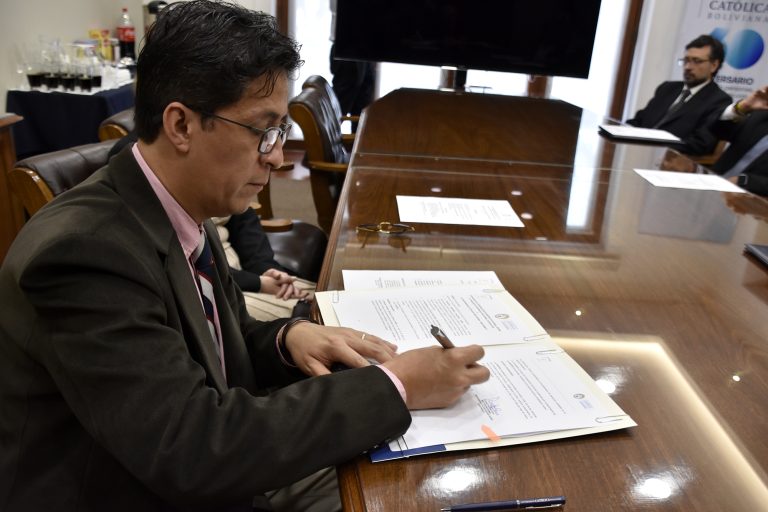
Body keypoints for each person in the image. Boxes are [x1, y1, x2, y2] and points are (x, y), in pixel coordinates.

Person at [0, 2, 490, 511]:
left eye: (280, 132)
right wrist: (397, 385)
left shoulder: (182, 202)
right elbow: (191, 448)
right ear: (181, 125)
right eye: (263, 131)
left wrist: (286, 339)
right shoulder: (85, 254)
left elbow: (216, 345)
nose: (276, 156)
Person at [109, 132, 314, 320]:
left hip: (236, 273)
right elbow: (179, 263)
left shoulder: (213, 146)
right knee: (313, 316)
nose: (277, 159)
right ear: (179, 121)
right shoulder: (140, 157)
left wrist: (266, 268)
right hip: (210, 285)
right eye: (257, 130)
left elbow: (244, 219)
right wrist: (258, 282)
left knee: (322, 296)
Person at [626, 34, 732, 156]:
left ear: (714, 65)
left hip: (670, 160)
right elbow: (639, 121)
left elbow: (699, 144)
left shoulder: (719, 101)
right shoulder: (667, 88)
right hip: (636, 153)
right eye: (686, 60)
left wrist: (654, 145)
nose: (688, 67)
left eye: (697, 61)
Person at [709, 85, 768, 196]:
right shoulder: (762, 113)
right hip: (713, 181)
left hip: (752, 198)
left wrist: (744, 181)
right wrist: (741, 108)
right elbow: (717, 131)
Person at [328, 0, 376, 125]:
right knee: (338, 110)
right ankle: (320, 137)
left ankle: (358, 139)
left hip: (366, 47)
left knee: (362, 111)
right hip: (348, 44)